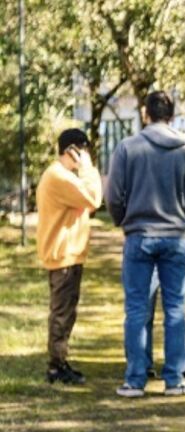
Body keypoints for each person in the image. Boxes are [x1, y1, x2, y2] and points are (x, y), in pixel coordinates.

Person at [106, 90, 185, 397]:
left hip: (138, 235)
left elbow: (112, 195)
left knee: (136, 309)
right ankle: (174, 379)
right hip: (174, 236)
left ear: (145, 114)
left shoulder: (127, 148)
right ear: (172, 116)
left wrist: (124, 219)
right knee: (175, 309)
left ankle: (135, 379)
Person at [36, 128, 102, 384]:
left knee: (66, 311)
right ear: (72, 151)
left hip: (68, 254)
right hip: (63, 255)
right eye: (83, 151)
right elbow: (95, 198)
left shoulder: (63, 177)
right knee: (62, 312)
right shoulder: (59, 177)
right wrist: (86, 168)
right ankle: (56, 366)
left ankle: (60, 361)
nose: (86, 156)